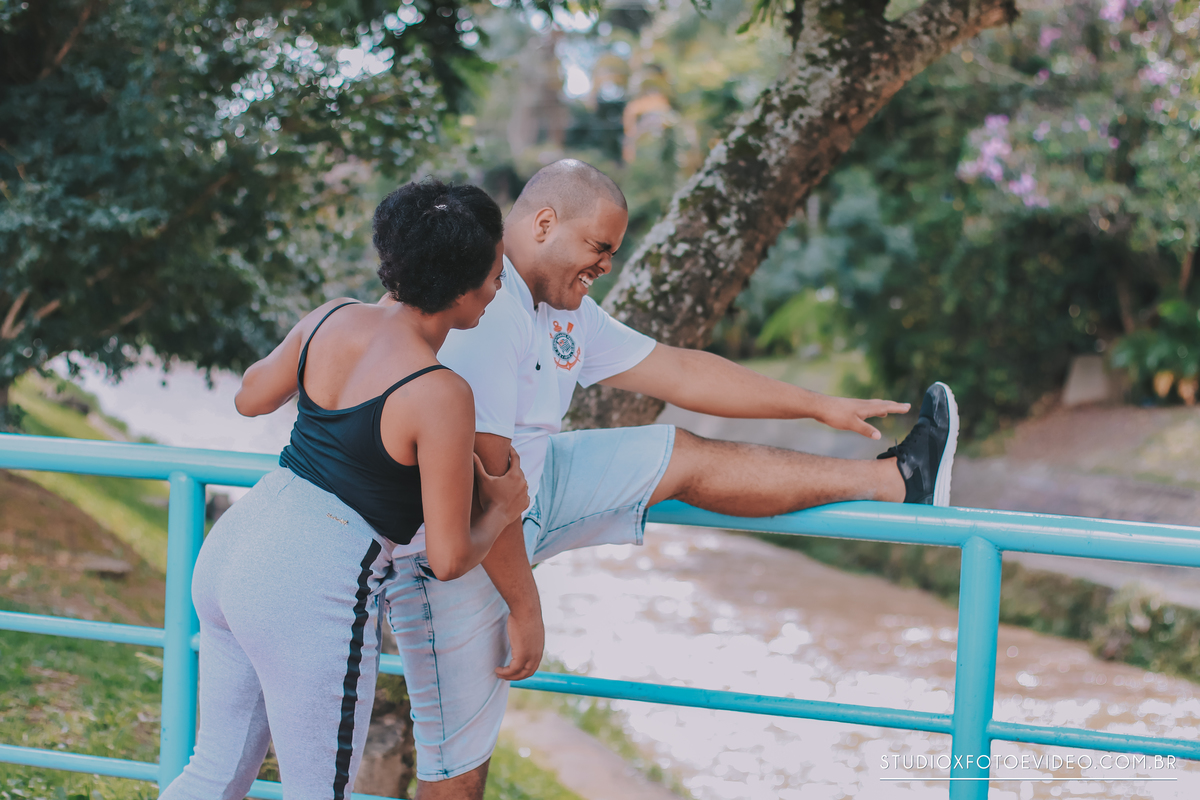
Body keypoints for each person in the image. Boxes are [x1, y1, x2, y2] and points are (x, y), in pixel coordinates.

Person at [382, 159, 959, 799]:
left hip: (531, 489)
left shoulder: (564, 307)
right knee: (457, 770)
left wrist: (817, 405)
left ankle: (900, 480)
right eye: (599, 247)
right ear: (544, 223)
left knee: (683, 454)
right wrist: (526, 606)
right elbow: (480, 491)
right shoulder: (484, 309)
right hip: (457, 548)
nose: (607, 265)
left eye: (613, 252)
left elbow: (680, 372)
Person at [159, 180, 528, 800]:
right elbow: (447, 557)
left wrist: (318, 350)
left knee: (214, 771)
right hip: (308, 584)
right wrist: (501, 508)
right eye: (495, 276)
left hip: (235, 548)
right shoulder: (441, 393)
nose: (497, 290)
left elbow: (250, 397)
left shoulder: (330, 317)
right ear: (460, 287)